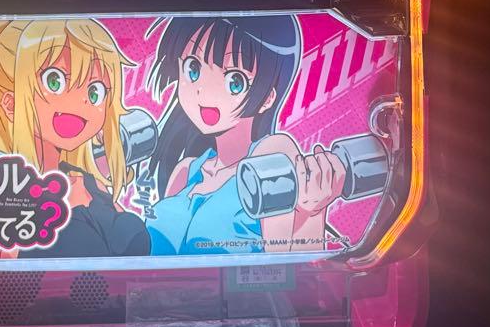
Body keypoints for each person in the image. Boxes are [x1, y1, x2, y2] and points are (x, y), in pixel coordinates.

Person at [0, 19, 150, 258]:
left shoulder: (88, 183)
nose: (81, 101)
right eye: (55, 81)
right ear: (10, 103)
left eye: (95, 92)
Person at [145, 15, 347, 255]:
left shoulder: (270, 156)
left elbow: (287, 264)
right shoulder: (185, 172)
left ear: (268, 98)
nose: (204, 91)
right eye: (193, 69)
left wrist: (310, 213)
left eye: (235, 81)